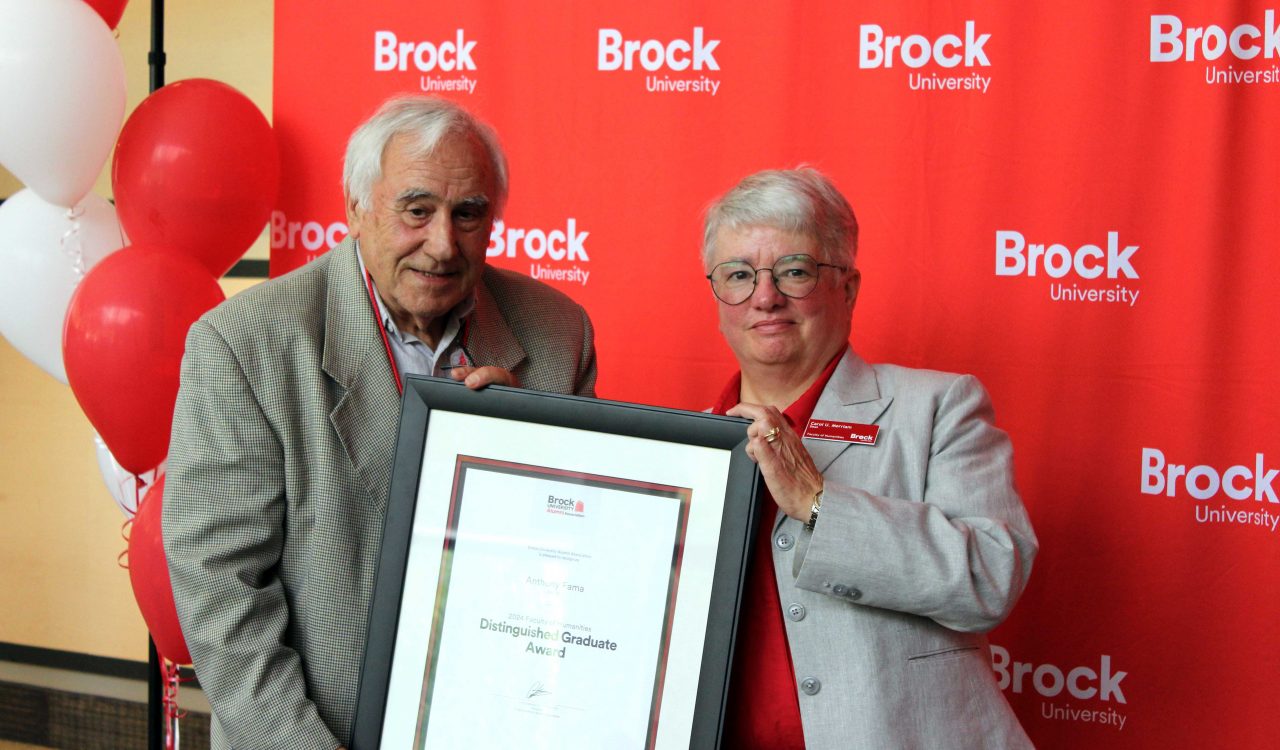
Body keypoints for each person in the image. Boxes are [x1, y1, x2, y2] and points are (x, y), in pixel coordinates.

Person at [163, 95, 597, 750]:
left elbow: (581, 552)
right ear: (356, 208)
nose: (444, 244)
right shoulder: (243, 346)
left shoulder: (559, 333)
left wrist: (528, 452)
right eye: (416, 210)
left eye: (469, 214)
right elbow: (223, 596)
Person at [703, 168, 1037, 748]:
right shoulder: (690, 444)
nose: (765, 297)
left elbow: (991, 575)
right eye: (738, 275)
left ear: (848, 289)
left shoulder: (937, 406)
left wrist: (818, 503)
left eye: (795, 272)